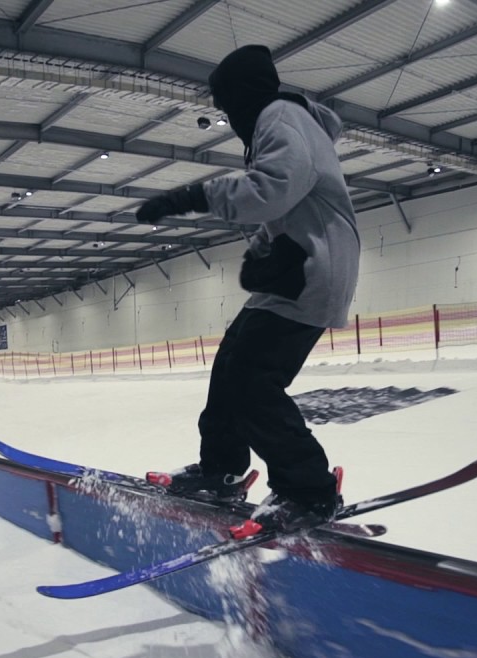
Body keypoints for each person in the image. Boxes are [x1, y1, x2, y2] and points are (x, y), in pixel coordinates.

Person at [135, 45, 360, 531]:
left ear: (243, 94)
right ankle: (221, 468)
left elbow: (272, 189)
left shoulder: (279, 116)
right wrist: (262, 251)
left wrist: (194, 196)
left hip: (315, 270)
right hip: (296, 267)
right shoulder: (278, 123)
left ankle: (309, 490)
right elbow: (289, 203)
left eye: (226, 106)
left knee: (254, 381)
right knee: (231, 364)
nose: (226, 116)